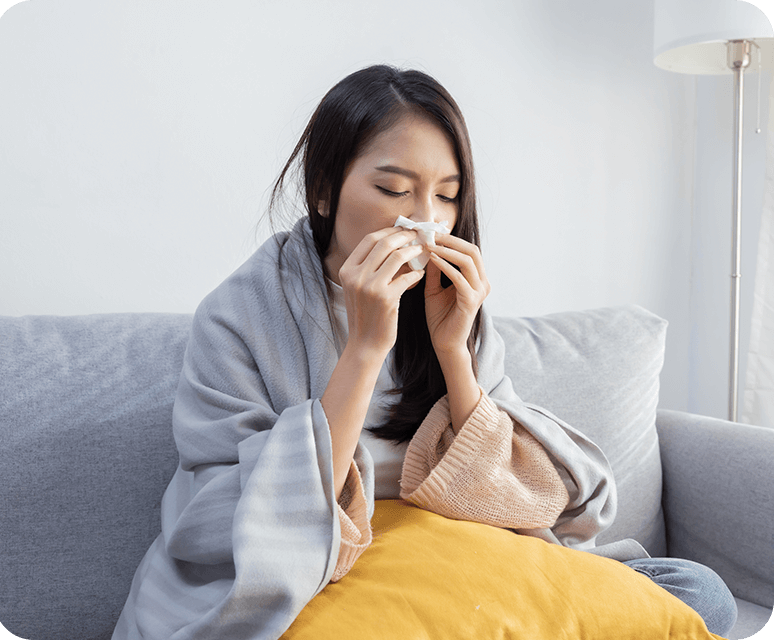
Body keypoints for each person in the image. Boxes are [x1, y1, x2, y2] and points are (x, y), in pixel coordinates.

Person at [112, 65, 737, 639]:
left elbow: (508, 496)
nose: (424, 221)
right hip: (334, 564)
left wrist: (453, 353)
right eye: (393, 188)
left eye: (446, 195)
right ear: (325, 190)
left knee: (699, 592)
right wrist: (364, 347)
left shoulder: (450, 307)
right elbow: (229, 521)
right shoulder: (238, 315)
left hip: (460, 550)